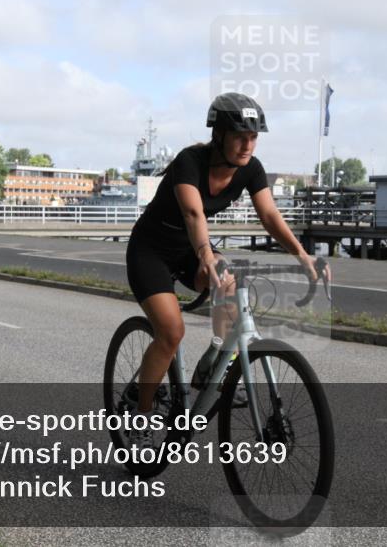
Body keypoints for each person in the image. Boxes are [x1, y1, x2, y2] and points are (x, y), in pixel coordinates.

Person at [124, 92, 331, 448]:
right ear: (218, 134)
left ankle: (214, 362)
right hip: (151, 251)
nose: (247, 145)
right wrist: (205, 253)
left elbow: (269, 216)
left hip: (191, 249)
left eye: (253, 137)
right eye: (239, 136)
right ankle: (140, 411)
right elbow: (193, 214)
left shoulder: (251, 168)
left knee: (232, 284)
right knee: (171, 333)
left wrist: (302, 254)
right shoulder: (190, 161)